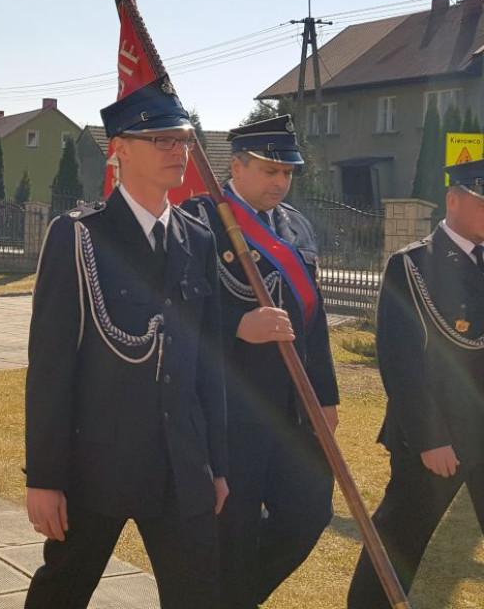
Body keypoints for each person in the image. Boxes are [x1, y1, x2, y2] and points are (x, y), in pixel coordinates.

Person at [23, 85, 228, 609]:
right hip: (97, 462)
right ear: (121, 148)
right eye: (160, 139)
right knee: (62, 593)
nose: (177, 151)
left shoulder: (198, 238)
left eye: (182, 140)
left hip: (181, 462)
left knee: (198, 595)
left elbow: (211, 365)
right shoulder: (79, 235)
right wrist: (45, 478)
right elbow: (50, 368)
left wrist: (217, 466)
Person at [181, 115, 339, 609]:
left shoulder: (295, 225)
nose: (280, 182)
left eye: (287, 172)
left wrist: (327, 395)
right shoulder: (198, 219)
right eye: (270, 170)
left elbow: (314, 318)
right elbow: (176, 310)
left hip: (294, 409)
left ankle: (236, 598)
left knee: (307, 514)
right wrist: (235, 328)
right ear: (239, 166)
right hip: (232, 411)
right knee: (234, 529)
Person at [347, 159, 484, 608]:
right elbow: (401, 362)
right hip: (437, 442)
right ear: (454, 199)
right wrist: (430, 438)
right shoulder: (413, 265)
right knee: (397, 544)